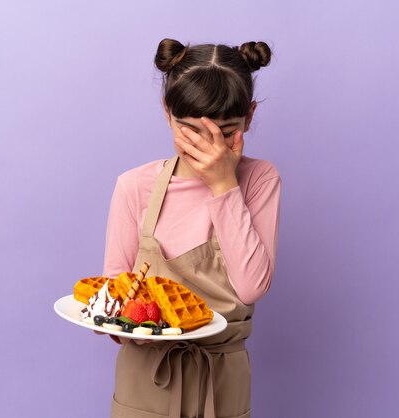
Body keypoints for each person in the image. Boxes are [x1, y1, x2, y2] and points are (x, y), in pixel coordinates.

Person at [102, 38, 281, 418]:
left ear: (249, 117)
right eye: (190, 131)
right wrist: (110, 318)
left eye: (226, 131)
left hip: (222, 379)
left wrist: (223, 185)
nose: (208, 147)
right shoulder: (134, 186)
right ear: (167, 113)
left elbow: (250, 287)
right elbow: (116, 298)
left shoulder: (259, 180)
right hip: (146, 378)